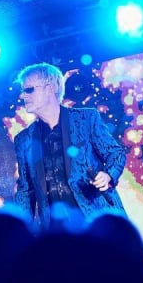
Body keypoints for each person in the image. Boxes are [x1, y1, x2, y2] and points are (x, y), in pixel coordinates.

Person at [13, 62, 126, 228]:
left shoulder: (87, 118)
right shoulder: (24, 139)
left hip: (97, 220)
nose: (23, 95)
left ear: (50, 88)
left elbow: (115, 153)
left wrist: (108, 175)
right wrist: (19, 230)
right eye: (23, 91)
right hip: (57, 231)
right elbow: (25, 190)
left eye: (29, 89)